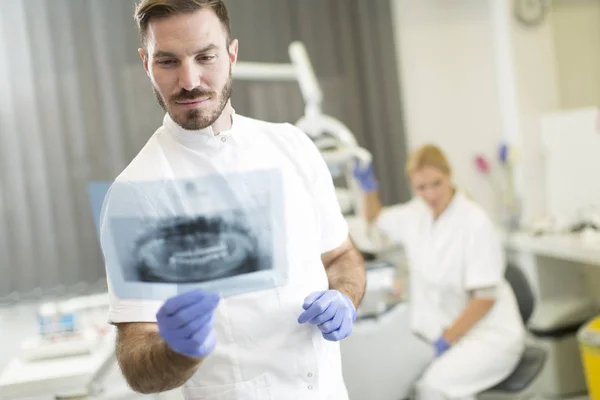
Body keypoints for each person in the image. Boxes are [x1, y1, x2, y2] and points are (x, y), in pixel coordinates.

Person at [98, 1, 366, 399]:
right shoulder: (137, 193)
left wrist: (343, 296)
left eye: (205, 56)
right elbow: (138, 365)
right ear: (145, 63)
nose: (189, 81)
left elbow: (341, 257)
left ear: (231, 53)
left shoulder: (292, 146)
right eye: (168, 62)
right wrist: (179, 351)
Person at [353, 144, 526, 400]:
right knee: (397, 377)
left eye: (437, 183)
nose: (431, 194)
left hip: (488, 334)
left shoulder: (474, 221)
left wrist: (446, 340)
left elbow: (485, 298)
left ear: (449, 175)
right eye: (421, 187)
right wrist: (369, 190)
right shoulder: (415, 213)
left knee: (434, 387)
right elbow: (376, 224)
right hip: (445, 327)